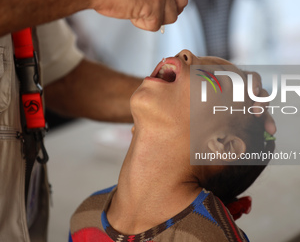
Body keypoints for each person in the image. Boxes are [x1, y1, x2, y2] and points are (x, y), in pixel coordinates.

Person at [0, 0, 188, 242]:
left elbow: (61, 78)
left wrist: (177, 105)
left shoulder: (86, 218)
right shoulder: (87, 216)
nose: (187, 54)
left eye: (209, 78)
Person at [69, 50, 275, 242]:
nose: (185, 52)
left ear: (224, 146)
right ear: (134, 128)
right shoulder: (84, 217)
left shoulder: (209, 238)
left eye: (213, 77)